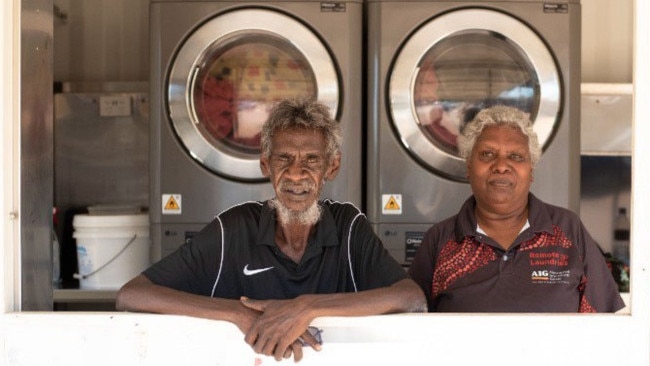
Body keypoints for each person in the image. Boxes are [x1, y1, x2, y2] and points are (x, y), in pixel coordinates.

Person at [116, 98, 426, 362]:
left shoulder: (348, 227)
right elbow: (133, 294)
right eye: (284, 159)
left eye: (311, 160)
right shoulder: (233, 229)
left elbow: (411, 298)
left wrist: (304, 308)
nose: (295, 174)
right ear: (266, 165)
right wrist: (238, 314)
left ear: (331, 167)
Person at [408, 105, 625, 313]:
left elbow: (603, 323)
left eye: (516, 156)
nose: (501, 165)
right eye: (487, 154)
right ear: (469, 167)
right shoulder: (440, 240)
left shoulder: (567, 229)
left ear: (531, 171)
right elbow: (412, 326)